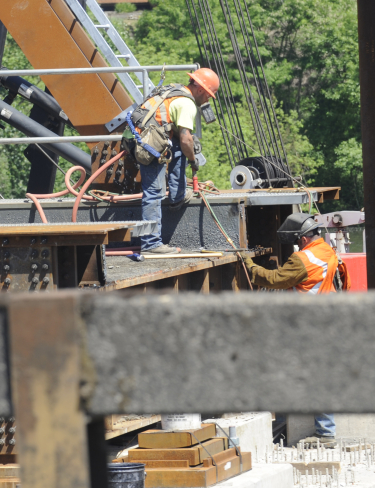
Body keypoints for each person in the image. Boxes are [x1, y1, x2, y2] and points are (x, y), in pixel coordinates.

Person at [239, 212, 350, 442]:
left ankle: (324, 433)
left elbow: (276, 279)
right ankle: (284, 426)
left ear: (302, 239)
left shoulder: (304, 259)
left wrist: (249, 265)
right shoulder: (327, 250)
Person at [131, 68, 219, 256]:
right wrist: (193, 161)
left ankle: (177, 195)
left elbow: (180, 137)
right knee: (153, 193)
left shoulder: (175, 91)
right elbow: (186, 139)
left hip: (146, 138)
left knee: (179, 146)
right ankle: (150, 243)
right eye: (210, 95)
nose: (208, 99)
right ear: (202, 89)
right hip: (149, 144)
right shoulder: (187, 104)